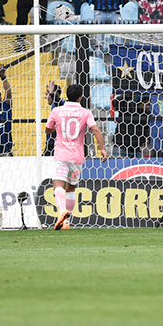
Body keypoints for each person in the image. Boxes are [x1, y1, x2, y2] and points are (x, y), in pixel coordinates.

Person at [46, 84, 108, 230]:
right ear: (80, 97)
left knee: (58, 186)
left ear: (67, 95)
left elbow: (48, 130)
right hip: (77, 157)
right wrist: (102, 149)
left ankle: (62, 212)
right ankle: (66, 222)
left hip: (61, 155)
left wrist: (54, 127)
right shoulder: (85, 112)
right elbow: (95, 129)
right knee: (71, 189)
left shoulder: (57, 110)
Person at [112, 91, 151, 158]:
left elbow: (146, 128)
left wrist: (147, 138)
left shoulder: (147, 114)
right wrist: (129, 93)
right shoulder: (127, 108)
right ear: (139, 103)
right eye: (145, 103)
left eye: (148, 104)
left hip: (136, 151)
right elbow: (115, 102)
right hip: (121, 150)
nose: (147, 107)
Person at [44, 81, 65, 156]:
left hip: (57, 142)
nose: (45, 97)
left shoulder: (61, 103)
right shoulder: (54, 105)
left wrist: (52, 93)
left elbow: (58, 101)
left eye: (47, 94)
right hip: (51, 141)